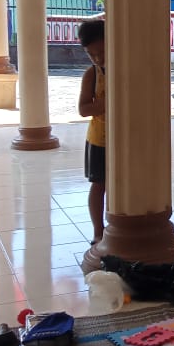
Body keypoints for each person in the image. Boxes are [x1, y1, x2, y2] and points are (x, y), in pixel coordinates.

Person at [77, 19, 107, 246]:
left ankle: (116, 226)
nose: (97, 58)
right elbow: (83, 109)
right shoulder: (92, 75)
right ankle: (98, 231)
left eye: (101, 52)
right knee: (99, 185)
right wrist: (106, 104)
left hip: (123, 140)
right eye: (91, 54)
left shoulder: (124, 69)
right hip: (99, 139)